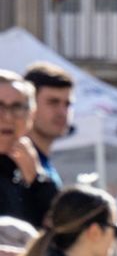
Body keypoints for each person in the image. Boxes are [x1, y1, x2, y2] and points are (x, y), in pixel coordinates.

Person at [0, 70, 56, 228]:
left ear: (31, 115)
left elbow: (61, 231)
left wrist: (37, 180)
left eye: (17, 107)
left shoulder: (34, 169)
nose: (8, 117)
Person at [22, 62, 71, 191]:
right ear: (30, 106)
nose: (62, 112)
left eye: (67, 104)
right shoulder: (14, 161)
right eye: (53, 102)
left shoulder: (44, 164)